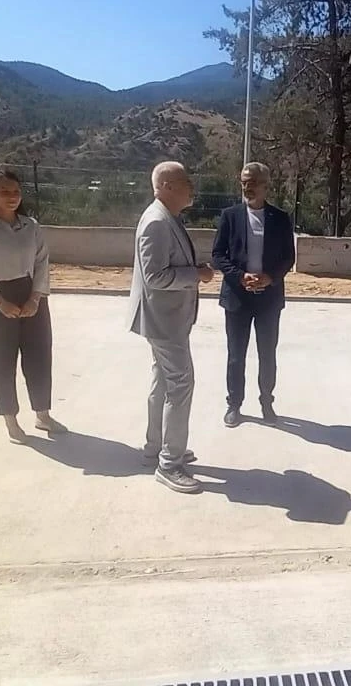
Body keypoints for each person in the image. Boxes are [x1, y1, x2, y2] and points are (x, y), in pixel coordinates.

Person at [128, 161, 214, 494]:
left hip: (165, 319)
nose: (191, 186)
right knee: (181, 384)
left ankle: (156, 447)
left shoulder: (168, 217)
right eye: (185, 181)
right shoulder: (156, 222)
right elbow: (155, 276)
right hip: (163, 321)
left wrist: (193, 270)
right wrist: (197, 275)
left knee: (163, 382)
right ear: (165, 185)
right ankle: (169, 464)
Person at [0, 170, 66, 444]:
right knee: (2, 362)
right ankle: (11, 421)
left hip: (31, 295)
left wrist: (35, 298)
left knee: (39, 355)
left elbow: (42, 262)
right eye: (4, 191)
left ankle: (43, 414)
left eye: (16, 191)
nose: (12, 197)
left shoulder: (31, 226)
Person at [212, 162, 296, 427]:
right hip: (237, 298)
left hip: (268, 299)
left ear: (265, 185)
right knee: (236, 355)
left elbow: (288, 257)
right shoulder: (230, 216)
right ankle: (234, 404)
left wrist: (270, 277)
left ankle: (267, 402)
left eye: (252, 182)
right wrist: (239, 276)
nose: (247, 187)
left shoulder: (280, 218)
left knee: (267, 354)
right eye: (244, 182)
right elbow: (218, 255)